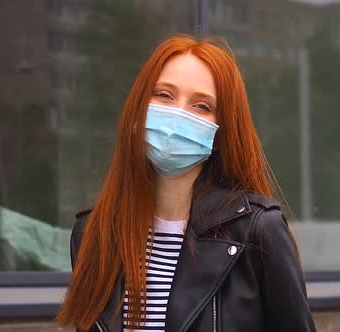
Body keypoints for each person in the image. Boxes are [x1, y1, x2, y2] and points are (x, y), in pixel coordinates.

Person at [57, 34, 316, 332]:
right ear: (138, 109)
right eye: (164, 95)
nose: (177, 113)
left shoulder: (258, 231)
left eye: (202, 106)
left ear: (220, 132)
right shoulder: (93, 234)